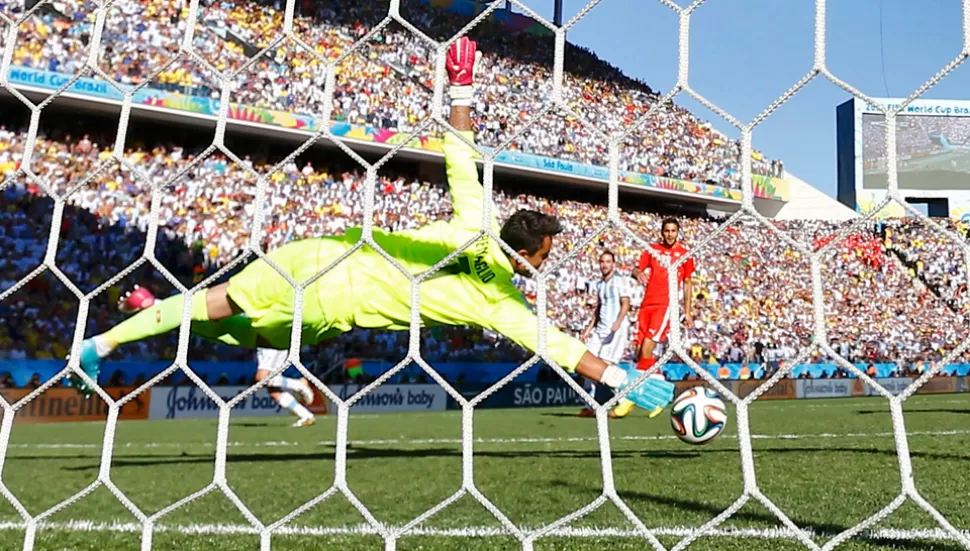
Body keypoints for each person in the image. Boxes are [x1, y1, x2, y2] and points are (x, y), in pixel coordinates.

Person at [70, 38, 675, 416]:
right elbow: (560, 346)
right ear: (527, 255)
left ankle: (133, 322)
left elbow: (459, 155)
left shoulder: (475, 223)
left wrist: (460, 86)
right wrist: (620, 376)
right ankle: (116, 335)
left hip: (316, 259)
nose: (546, 264)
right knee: (237, 326)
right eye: (545, 255)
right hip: (332, 305)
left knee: (228, 321)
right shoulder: (499, 300)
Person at [117, 286, 318, 427]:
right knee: (272, 389)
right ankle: (305, 415)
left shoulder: (246, 303)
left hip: (269, 335)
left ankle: (299, 384)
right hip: (262, 336)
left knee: (261, 377)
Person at [611, 217, 695, 419]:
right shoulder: (653, 249)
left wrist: (688, 311)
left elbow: (687, 283)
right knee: (641, 352)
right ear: (662, 232)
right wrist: (638, 273)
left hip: (665, 305)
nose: (670, 234)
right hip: (647, 304)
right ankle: (659, 396)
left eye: (673, 231)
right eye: (667, 230)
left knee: (648, 347)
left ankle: (630, 398)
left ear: (678, 232)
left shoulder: (684, 254)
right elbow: (636, 268)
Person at [577, 251, 632, 417]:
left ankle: (624, 400)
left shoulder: (619, 281)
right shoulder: (600, 285)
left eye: (608, 261)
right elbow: (599, 308)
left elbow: (626, 303)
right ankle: (591, 405)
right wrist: (588, 328)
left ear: (613, 264)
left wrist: (618, 322)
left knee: (605, 366)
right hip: (600, 330)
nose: (605, 265)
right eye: (602, 262)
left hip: (615, 330)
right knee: (585, 363)